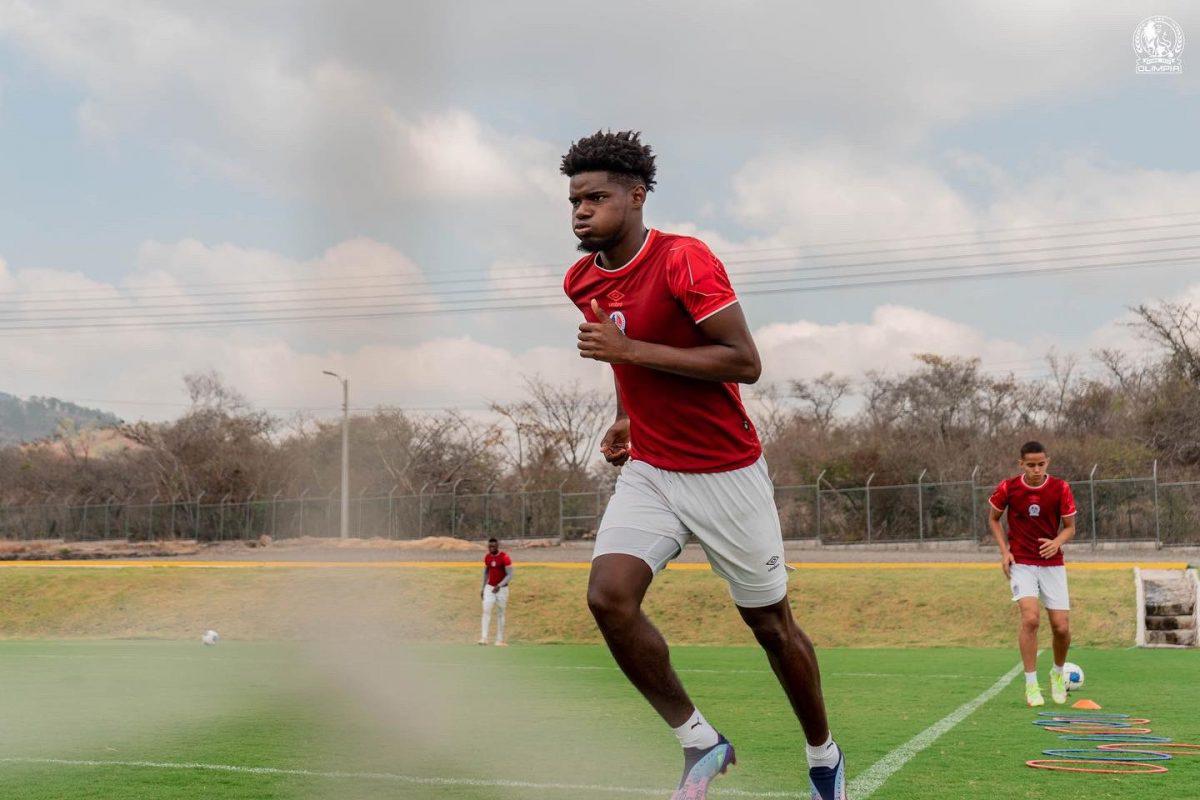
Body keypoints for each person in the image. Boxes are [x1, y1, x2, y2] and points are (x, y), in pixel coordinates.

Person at [560, 130, 846, 800]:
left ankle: (823, 757)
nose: (580, 210)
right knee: (608, 597)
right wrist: (628, 415)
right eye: (574, 199)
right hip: (652, 472)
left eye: (596, 197)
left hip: (727, 475)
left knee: (772, 628)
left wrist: (631, 355)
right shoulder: (580, 280)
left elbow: (743, 362)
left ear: (635, 198)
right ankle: (700, 742)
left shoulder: (685, 260)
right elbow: (621, 354)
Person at [987, 440, 1077, 706]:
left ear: (1047, 461)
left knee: (1061, 627)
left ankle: (1058, 673)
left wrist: (1057, 542)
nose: (1036, 469)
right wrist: (1005, 552)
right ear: (1021, 464)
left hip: (1052, 565)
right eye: (1030, 465)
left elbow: (1070, 527)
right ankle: (1031, 685)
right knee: (1030, 619)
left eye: (1041, 464)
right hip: (1022, 563)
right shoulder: (1009, 487)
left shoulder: (1061, 488)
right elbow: (994, 519)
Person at [479, 537, 513, 647]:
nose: (491, 548)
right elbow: (486, 573)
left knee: (501, 613)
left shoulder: (505, 557)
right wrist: (483, 588)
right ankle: (484, 638)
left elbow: (510, 575)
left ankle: (499, 640)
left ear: (497, 546)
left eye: (493, 546)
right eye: (489, 546)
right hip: (490, 588)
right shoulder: (487, 557)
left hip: (502, 589)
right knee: (486, 611)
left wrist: (500, 585)